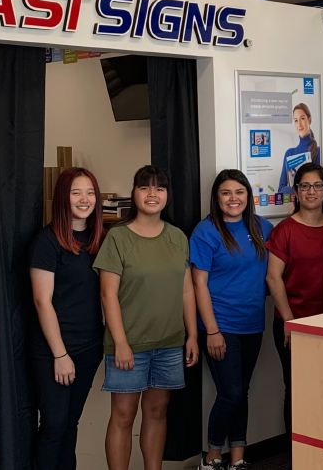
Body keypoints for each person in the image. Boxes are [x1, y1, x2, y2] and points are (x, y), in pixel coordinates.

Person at [93, 165, 198, 470]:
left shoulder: (178, 237)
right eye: (145, 187)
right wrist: (122, 344)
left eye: (159, 188)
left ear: (167, 195)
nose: (152, 194)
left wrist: (191, 335)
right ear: (134, 193)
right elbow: (107, 295)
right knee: (123, 417)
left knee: (157, 412)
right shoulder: (117, 238)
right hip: (129, 345)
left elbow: (187, 291)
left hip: (169, 344)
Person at [191, 169, 274, 470]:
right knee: (231, 393)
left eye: (239, 192)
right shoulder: (207, 231)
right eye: (226, 193)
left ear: (248, 196)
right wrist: (212, 331)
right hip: (219, 325)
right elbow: (198, 283)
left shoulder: (261, 227)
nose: (233, 198)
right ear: (216, 197)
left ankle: (238, 458)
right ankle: (212, 457)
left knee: (242, 391)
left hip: (252, 323)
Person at [29, 167, 106, 470]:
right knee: (53, 425)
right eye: (76, 192)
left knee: (70, 423)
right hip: (54, 350)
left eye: (90, 192)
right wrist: (60, 354)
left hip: (89, 346)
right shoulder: (46, 242)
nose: (85, 199)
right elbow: (41, 301)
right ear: (63, 197)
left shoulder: (100, 239)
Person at [265, 162, 323, 440]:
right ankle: (297, 455)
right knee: (296, 390)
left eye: (317, 185)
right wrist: (290, 321)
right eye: (305, 186)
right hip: (293, 325)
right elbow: (273, 278)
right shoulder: (285, 230)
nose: (311, 191)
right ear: (296, 192)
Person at [278, 103, 320, 193]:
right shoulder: (290, 153)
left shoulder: (319, 152)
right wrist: (300, 188)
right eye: (296, 120)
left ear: (310, 120)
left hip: (316, 206)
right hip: (297, 206)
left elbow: (322, 186)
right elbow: (281, 190)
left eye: (302, 118)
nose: (299, 124)